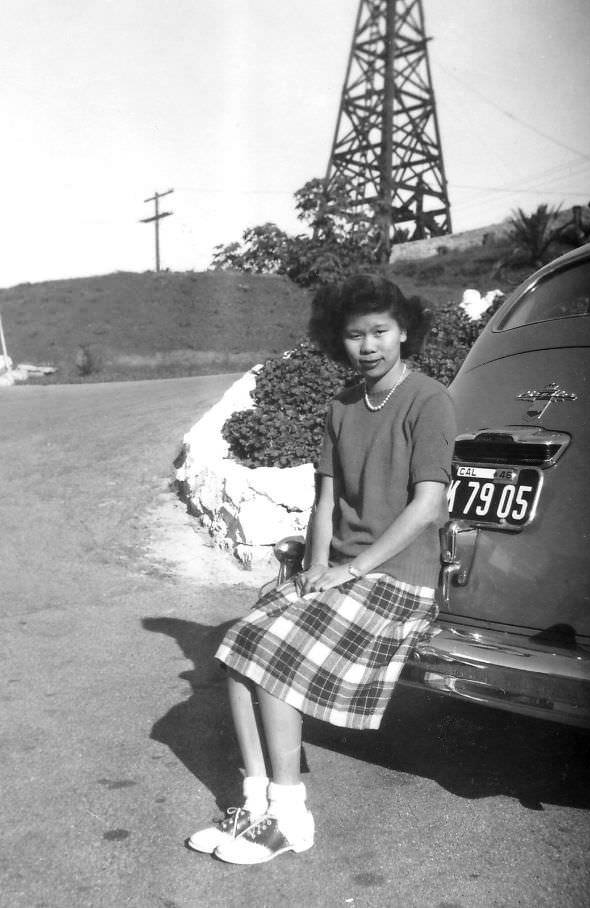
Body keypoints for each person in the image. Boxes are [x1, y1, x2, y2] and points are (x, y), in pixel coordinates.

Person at [188, 273, 456, 864]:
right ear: (340, 341)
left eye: (380, 331)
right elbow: (327, 502)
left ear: (404, 331)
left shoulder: (429, 399)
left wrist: (348, 570)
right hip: (342, 573)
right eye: (355, 335)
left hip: (399, 577)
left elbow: (428, 506)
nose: (369, 346)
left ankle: (290, 817)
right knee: (238, 645)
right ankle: (255, 806)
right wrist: (312, 572)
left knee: (271, 651)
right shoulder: (341, 406)